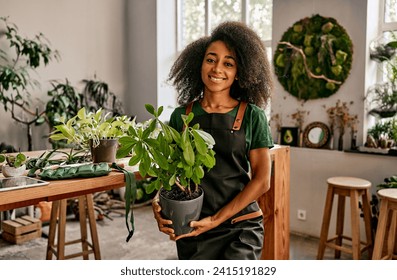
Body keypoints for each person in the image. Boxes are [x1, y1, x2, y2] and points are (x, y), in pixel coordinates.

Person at [152, 21, 274, 260]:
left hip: (241, 226)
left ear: (240, 72)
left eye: (228, 63)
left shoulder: (253, 116)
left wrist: (216, 220)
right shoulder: (181, 116)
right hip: (193, 226)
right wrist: (158, 204)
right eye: (211, 59)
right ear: (199, 63)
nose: (217, 68)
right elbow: (171, 173)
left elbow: (262, 181)